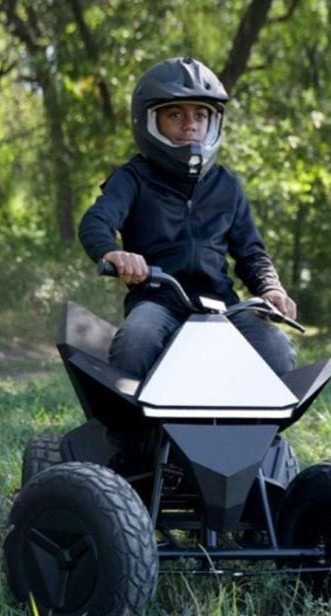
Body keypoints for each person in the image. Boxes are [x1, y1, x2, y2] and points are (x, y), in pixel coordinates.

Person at [78, 56, 298, 380]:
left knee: (276, 351)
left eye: (200, 115)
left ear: (213, 122)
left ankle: (259, 430)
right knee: (135, 342)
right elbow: (95, 220)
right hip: (158, 300)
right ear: (149, 120)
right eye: (175, 114)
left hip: (222, 305)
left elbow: (251, 252)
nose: (190, 124)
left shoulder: (226, 185)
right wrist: (113, 253)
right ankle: (131, 429)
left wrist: (271, 289)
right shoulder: (133, 178)